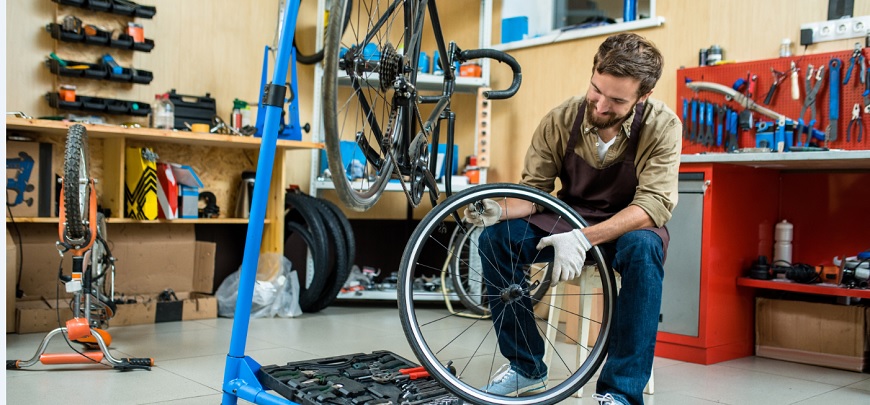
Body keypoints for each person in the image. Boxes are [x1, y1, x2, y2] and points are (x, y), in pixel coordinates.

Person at [464, 32, 681, 405]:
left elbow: (653, 206)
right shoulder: (562, 119)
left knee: (644, 252)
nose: (599, 105)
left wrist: (585, 238)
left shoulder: (663, 126)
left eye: (616, 100)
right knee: (496, 240)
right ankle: (526, 367)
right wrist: (496, 208)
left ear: (642, 96)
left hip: (630, 224)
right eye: (596, 89)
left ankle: (621, 392)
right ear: (593, 73)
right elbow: (533, 193)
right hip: (567, 217)